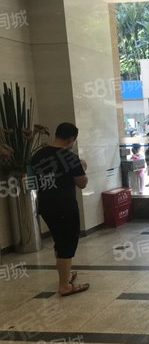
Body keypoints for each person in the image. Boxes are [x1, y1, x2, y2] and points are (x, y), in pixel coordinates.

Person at [31, 122, 89, 296]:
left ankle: (66, 276)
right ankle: (64, 286)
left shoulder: (37, 155)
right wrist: (83, 168)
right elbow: (82, 183)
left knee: (59, 240)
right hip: (65, 206)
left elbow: (31, 181)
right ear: (71, 139)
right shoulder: (69, 158)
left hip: (45, 205)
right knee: (67, 243)